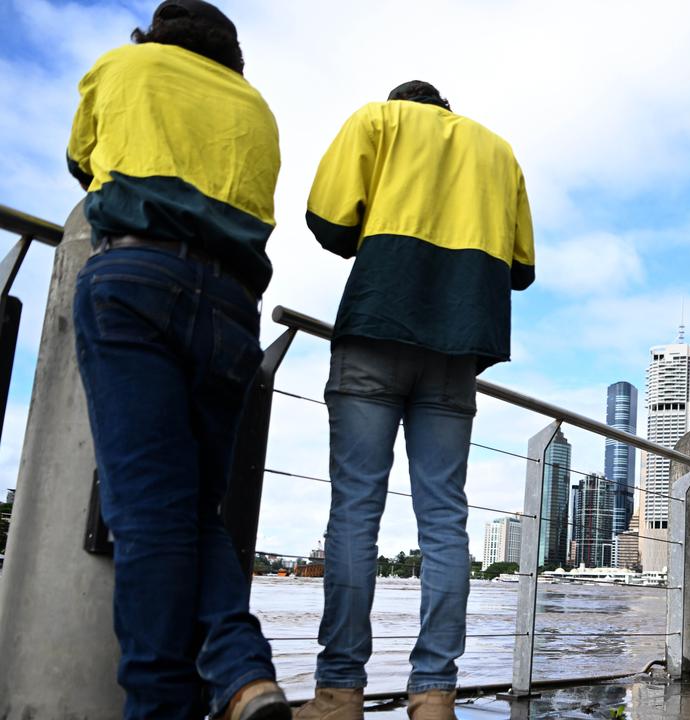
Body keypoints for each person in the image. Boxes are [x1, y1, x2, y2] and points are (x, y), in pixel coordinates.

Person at [67, 2, 288, 718]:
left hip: (134, 281)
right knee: (195, 511)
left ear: (155, 37)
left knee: (148, 515)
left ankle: (162, 704)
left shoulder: (122, 67)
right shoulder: (255, 107)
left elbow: (82, 160)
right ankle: (242, 673)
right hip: (231, 305)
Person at [296, 81, 534, 720]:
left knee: (354, 512)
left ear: (403, 103)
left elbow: (329, 221)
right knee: (444, 520)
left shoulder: (376, 120)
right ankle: (433, 694)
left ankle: (337, 693)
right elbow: (520, 267)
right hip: (457, 351)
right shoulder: (499, 152)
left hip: (376, 329)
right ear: (447, 110)